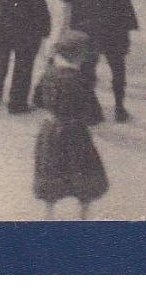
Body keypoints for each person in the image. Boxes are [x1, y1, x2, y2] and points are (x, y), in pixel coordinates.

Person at [32, 30, 109, 218]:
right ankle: (83, 213)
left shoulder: (48, 74)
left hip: (50, 130)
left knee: (51, 170)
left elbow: (37, 100)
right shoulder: (80, 81)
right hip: (75, 132)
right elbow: (94, 114)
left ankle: (49, 213)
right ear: (80, 57)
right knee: (83, 172)